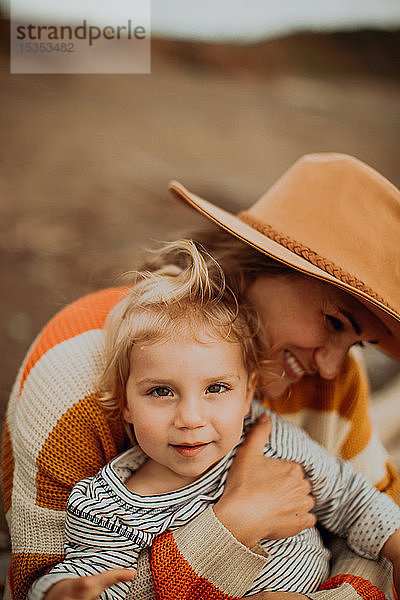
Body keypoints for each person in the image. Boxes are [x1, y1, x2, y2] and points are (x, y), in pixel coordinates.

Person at [3, 152, 400, 600]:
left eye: (357, 342)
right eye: (333, 322)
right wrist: (230, 529)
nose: (331, 366)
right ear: (262, 263)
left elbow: (377, 521)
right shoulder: (74, 377)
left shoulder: (329, 380)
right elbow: (46, 583)